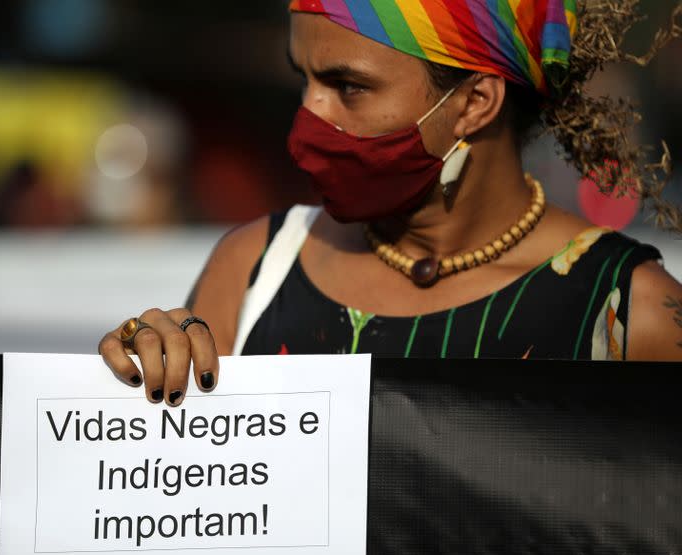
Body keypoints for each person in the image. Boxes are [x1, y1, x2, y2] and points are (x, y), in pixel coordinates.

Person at [99, 0, 682, 406]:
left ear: (475, 101)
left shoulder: (636, 315)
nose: (311, 116)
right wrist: (143, 371)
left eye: (348, 86)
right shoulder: (252, 270)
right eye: (303, 80)